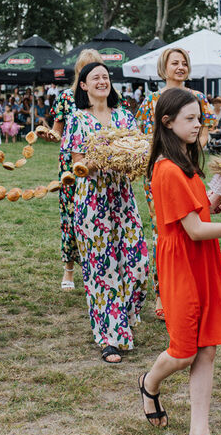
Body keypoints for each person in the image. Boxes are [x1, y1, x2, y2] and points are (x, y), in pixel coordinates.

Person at [139, 88, 221, 435]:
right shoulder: (166, 169)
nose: (198, 124)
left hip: (203, 260)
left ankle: (199, 434)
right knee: (183, 351)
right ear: (167, 123)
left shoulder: (186, 162)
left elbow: (195, 213)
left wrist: (212, 200)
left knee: (207, 346)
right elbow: (193, 231)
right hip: (182, 262)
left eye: (199, 117)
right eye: (190, 118)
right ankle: (150, 382)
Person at [62, 62, 147, 363]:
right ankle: (109, 338)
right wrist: (102, 159)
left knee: (138, 263)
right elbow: (78, 165)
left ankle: (122, 316)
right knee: (101, 269)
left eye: (106, 77)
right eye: (95, 77)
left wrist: (133, 157)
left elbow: (138, 151)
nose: (102, 80)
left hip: (123, 197)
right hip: (93, 201)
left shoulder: (124, 116)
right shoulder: (76, 119)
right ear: (83, 86)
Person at [134, 47, 216, 320]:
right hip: (162, 169)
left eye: (184, 63)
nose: (180, 67)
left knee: (193, 225)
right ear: (164, 67)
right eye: (175, 63)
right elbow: (145, 135)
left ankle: (190, 287)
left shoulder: (199, 97)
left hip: (188, 166)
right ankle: (162, 292)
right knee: (164, 231)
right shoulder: (152, 100)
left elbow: (204, 131)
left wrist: (188, 153)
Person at [48, 49, 105, 291]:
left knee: (101, 216)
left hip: (103, 164)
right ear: (79, 73)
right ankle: (69, 269)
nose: (94, 74)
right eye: (86, 68)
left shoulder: (109, 98)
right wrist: (49, 134)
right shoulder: (65, 97)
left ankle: (99, 268)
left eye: (97, 67)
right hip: (71, 167)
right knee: (71, 216)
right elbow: (57, 130)